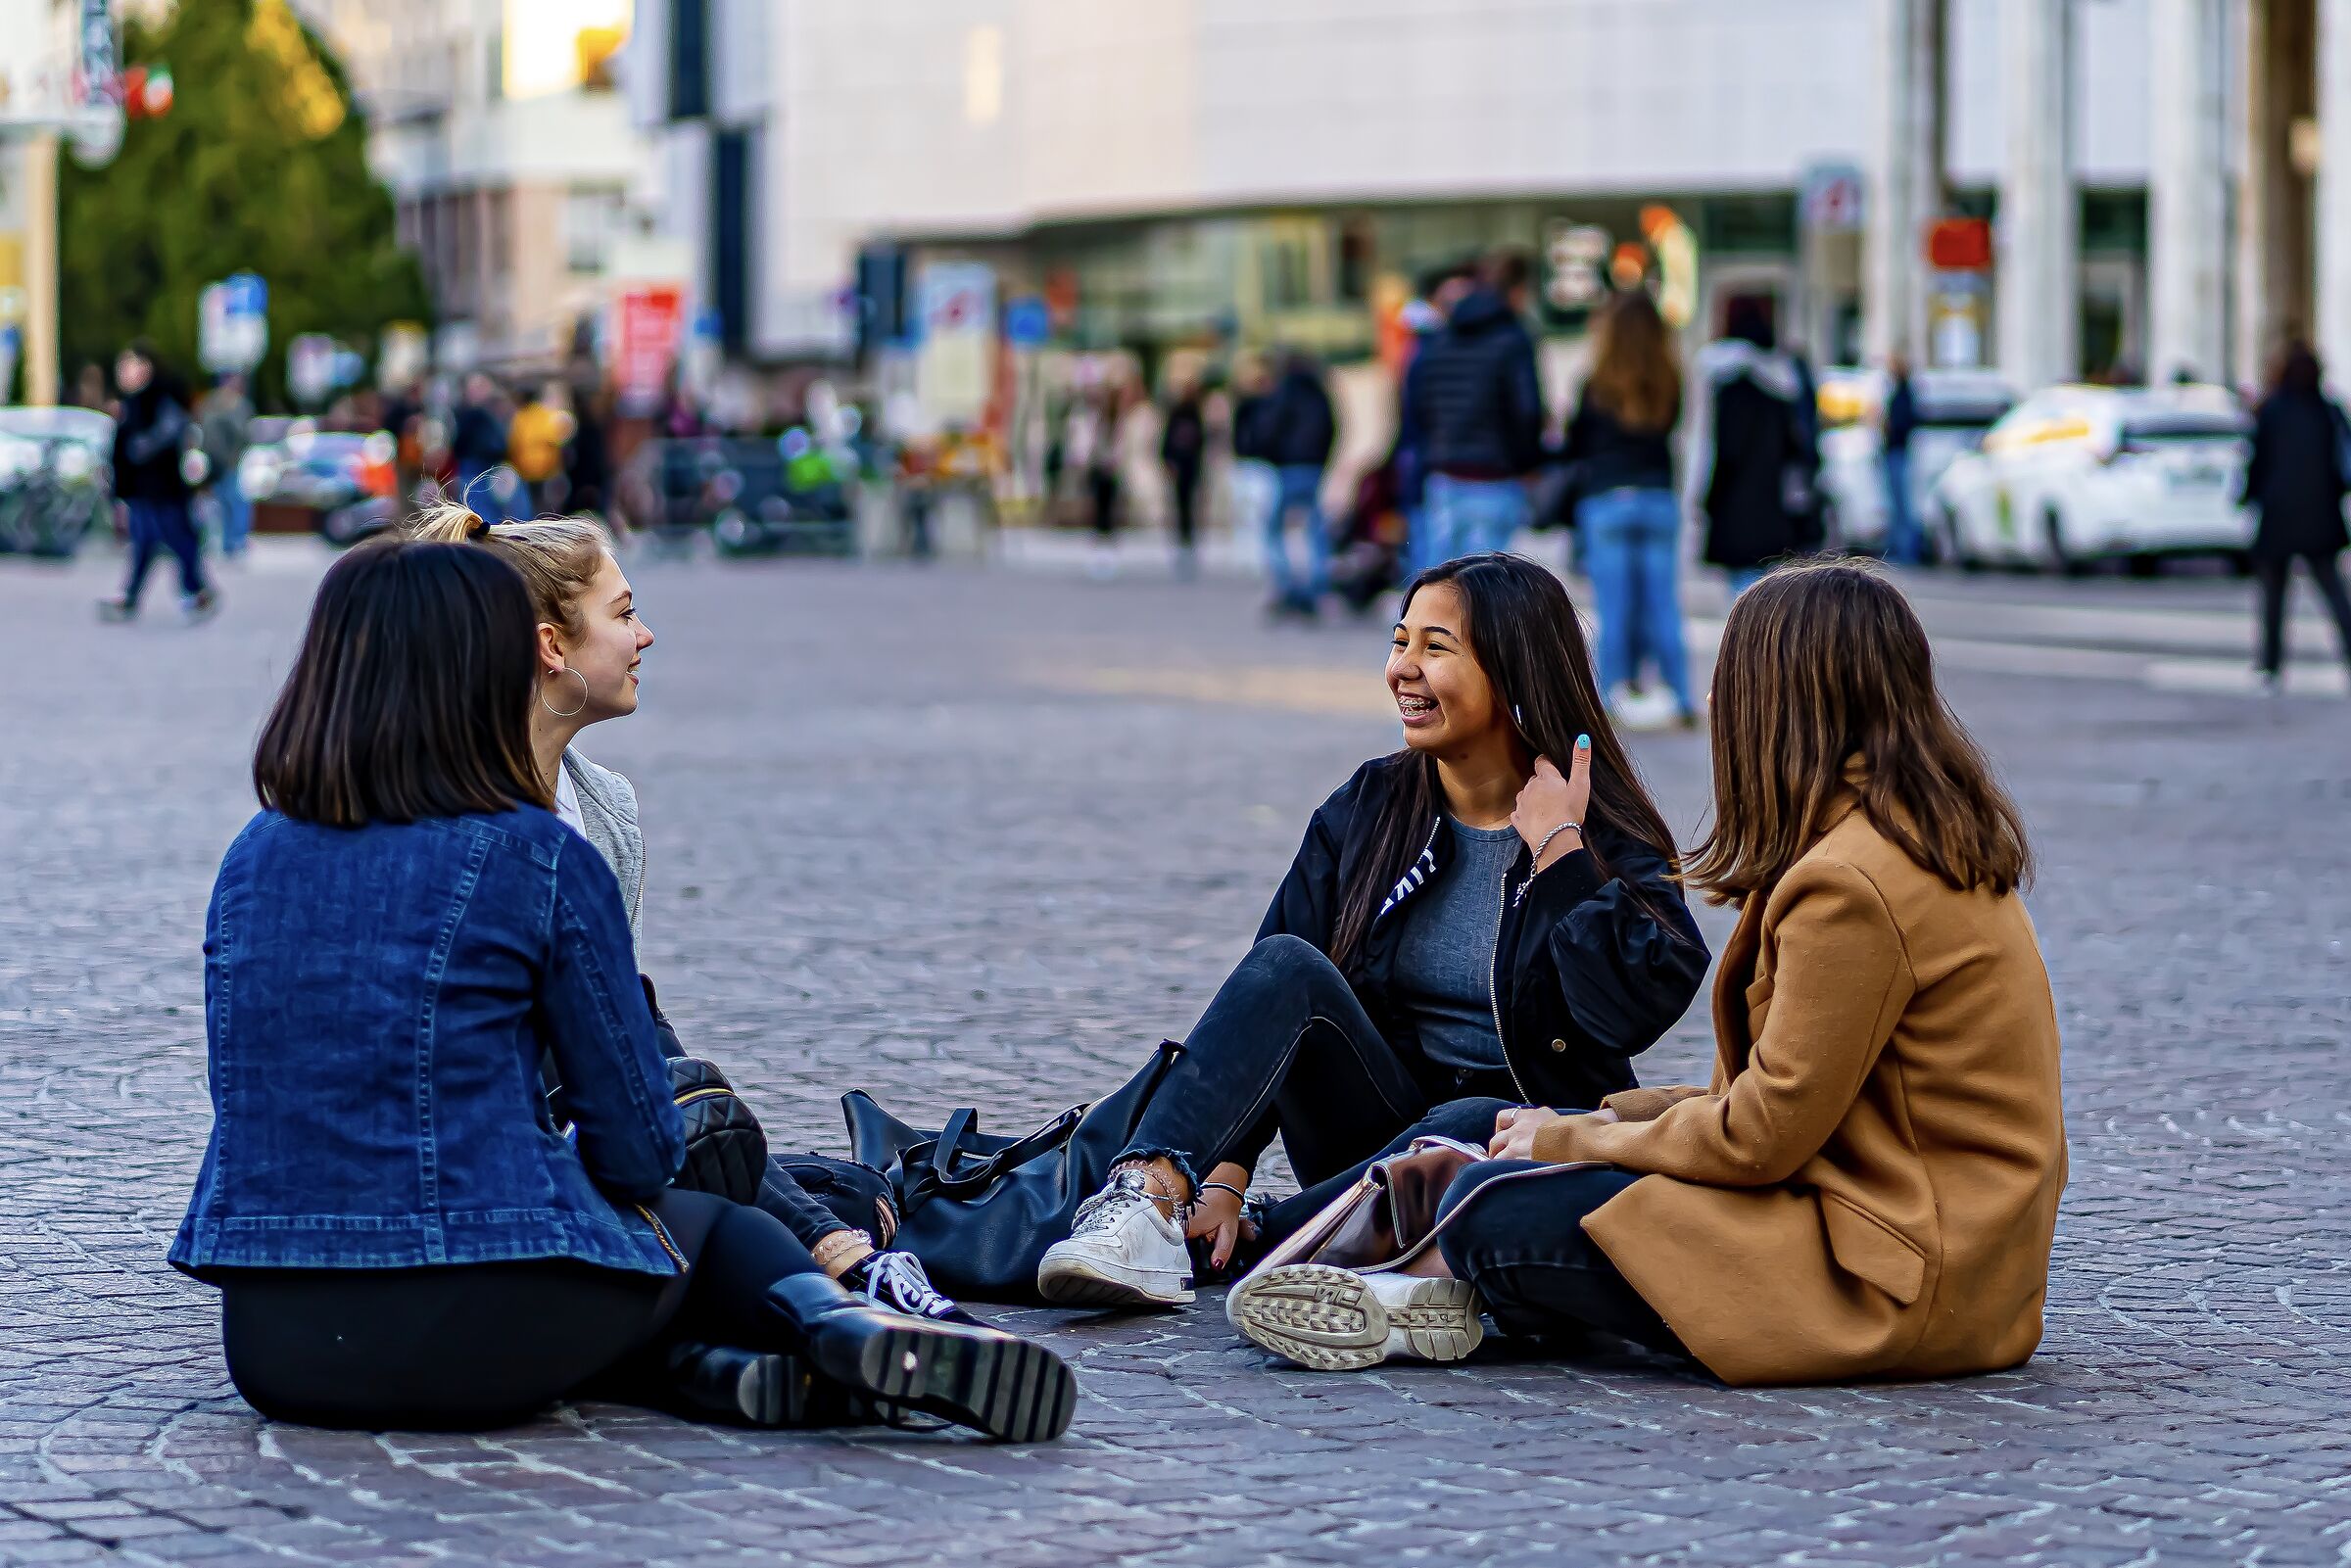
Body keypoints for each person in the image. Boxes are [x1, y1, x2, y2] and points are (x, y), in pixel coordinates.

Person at [168, 537, 1075, 1439]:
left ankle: (723, 1378)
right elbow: (640, 1151)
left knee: (607, 1303)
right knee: (715, 1228)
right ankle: (845, 1327)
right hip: (473, 1325)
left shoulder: (252, 858)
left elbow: (247, 1093)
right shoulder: (538, 854)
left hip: (276, 1346)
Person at [1230, 560, 2066, 1386]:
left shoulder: (1847, 884)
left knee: (1493, 1206)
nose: (1711, 705)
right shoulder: (1905, 843)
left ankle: (1430, 1282)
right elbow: (1782, 1098)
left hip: (1892, 1275)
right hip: (1927, 1249)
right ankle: (1344, 1262)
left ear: (1782, 703)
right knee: (1491, 1124)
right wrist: (1595, 1118)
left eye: (1729, 682)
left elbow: (1758, 1134)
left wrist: (1571, 1136)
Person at [1034, 552, 1706, 1309]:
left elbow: (1636, 1007)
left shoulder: (1600, 825)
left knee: (1465, 1122)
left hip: (1524, 1144)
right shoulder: (1371, 805)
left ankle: (1286, 1236)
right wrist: (1225, 1173)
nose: (1402, 669)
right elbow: (1267, 998)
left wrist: (1560, 852)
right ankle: (1143, 1202)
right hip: (1372, 1131)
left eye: (1436, 647)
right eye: (1399, 641)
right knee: (1289, 963)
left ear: (1515, 672)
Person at [410, 505, 973, 1323]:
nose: (646, 636)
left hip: (600, 1123)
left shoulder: (603, 809)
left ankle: (821, 1244)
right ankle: (844, 1271)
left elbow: (619, 1037)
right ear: (552, 645)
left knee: (812, 1173)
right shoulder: (447, 819)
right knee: (725, 1150)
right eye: (625, 611)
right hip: (504, 1160)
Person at [1565, 291, 1697, 727]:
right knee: (1663, 604)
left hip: (1606, 499)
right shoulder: (1669, 380)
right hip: (1657, 497)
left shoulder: (1596, 383)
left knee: (1614, 607)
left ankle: (1608, 699)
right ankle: (1680, 696)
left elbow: (1576, 444)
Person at [1408, 251, 1546, 568]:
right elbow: (1526, 410)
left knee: (1441, 585)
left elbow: (1419, 406)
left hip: (1443, 472)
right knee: (1487, 589)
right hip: (1495, 474)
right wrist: (1529, 463)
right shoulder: (1513, 339)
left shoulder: (1439, 339)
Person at [2239, 340, 2351, 695]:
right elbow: (2344, 464)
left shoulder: (2272, 410)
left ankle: (2270, 667)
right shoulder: (2329, 411)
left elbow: (2257, 462)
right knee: (2333, 592)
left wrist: (2248, 497)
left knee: (2274, 596)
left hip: (2279, 516)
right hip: (2321, 515)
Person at [1699, 301, 1818, 598]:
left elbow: (1721, 452)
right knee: (1774, 594)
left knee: (1743, 596)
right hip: (1776, 509)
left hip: (1736, 508)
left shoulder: (1725, 385)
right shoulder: (1784, 383)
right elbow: (1801, 448)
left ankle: (1747, 643)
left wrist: (1706, 501)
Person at [98, 342, 216, 624]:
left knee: (172, 537)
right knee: (145, 541)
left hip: (161, 487)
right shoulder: (134, 402)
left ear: (146, 367)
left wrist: (141, 448)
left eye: (128, 365)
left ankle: (195, 590)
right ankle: (139, 597)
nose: (122, 372)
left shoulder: (158, 399)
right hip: (143, 487)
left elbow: (166, 434)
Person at [1397, 263, 1478, 579]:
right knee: (1439, 567)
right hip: (1436, 465)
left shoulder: (1428, 346)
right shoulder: (1426, 347)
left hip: (1443, 463)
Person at [1259, 350, 1338, 615]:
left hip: (1289, 467)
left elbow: (1270, 428)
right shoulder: (1319, 394)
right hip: (1314, 467)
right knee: (1314, 530)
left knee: (1273, 529)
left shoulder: (1285, 392)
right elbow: (1333, 428)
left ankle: (1286, 585)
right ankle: (1316, 585)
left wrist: (1272, 453)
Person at [197, 371, 256, 558]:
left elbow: (243, 435)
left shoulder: (239, 405)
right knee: (222, 501)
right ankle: (226, 542)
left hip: (229, 462)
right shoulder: (214, 402)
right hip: (214, 462)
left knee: (233, 500)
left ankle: (235, 541)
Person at [1159, 373, 1209, 579]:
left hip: (1190, 467)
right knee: (1181, 506)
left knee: (1189, 506)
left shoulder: (1195, 414)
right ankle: (1183, 542)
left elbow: (1200, 442)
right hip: (1181, 466)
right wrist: (1169, 461)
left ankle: (1188, 542)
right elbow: (1169, 441)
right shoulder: (1178, 413)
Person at [451, 372, 515, 525]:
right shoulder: (480, 414)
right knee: (481, 511)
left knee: (480, 511)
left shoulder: (479, 414)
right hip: (477, 468)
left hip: (480, 468)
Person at [1880, 354, 1923, 565]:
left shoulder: (1904, 393)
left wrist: (1889, 427)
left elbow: (1903, 422)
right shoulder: (1900, 391)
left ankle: (1907, 551)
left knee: (1902, 506)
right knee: (1898, 506)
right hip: (1896, 452)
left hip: (1898, 452)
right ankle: (1901, 549)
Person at [508, 382, 573, 515]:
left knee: (536, 511)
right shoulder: (542, 416)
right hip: (538, 474)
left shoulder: (524, 416)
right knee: (544, 512)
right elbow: (558, 438)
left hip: (533, 472)